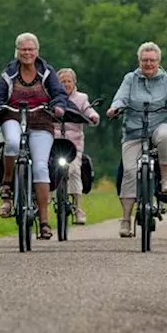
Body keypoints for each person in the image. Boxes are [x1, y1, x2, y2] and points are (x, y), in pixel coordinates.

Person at [0, 32, 68, 239]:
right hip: (13, 117)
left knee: (40, 166)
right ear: (17, 51)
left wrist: (58, 107)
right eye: (23, 49)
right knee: (11, 143)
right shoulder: (9, 73)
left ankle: (45, 222)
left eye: (30, 49)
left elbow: (59, 94)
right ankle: (7, 183)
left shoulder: (47, 72)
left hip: (41, 122)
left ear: (36, 51)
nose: (27, 53)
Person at [106, 41, 167, 238]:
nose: (148, 64)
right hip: (134, 131)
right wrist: (115, 108)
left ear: (159, 61)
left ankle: (166, 179)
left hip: (159, 126)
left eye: (152, 60)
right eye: (145, 60)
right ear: (139, 61)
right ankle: (126, 219)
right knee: (130, 172)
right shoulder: (130, 79)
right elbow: (121, 97)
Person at [53, 67, 100, 224]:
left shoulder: (81, 98)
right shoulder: (51, 97)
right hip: (54, 142)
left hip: (74, 143)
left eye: (69, 81)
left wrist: (93, 117)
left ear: (74, 83)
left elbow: (88, 110)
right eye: (62, 81)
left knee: (73, 170)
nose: (66, 84)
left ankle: (78, 208)